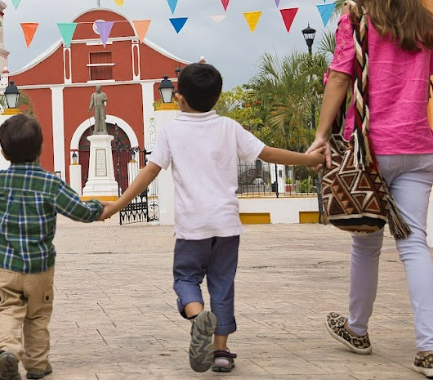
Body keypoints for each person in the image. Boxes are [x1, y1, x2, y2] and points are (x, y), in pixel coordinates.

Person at [101, 62, 324, 373]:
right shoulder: (230, 128)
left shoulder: (171, 132)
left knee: (186, 279)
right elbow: (268, 153)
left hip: (192, 228)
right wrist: (310, 159)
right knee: (222, 285)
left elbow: (149, 173)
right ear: (217, 98)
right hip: (226, 225)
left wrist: (117, 205)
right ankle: (220, 352)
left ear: (179, 98)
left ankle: (197, 316)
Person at [309, 0, 433, 378]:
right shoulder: (427, 25)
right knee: (414, 245)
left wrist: (319, 135)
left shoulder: (356, 17)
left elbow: (339, 77)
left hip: (371, 149)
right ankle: (430, 350)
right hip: (419, 148)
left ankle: (358, 329)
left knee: (365, 243)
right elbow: (423, 79)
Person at [0, 114, 103, 380]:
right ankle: (37, 365)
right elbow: (81, 210)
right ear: (41, 148)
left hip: (4, 266)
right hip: (40, 268)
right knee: (37, 316)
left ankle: (8, 350)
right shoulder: (51, 184)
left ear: (3, 151)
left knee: (6, 309)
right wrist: (99, 208)